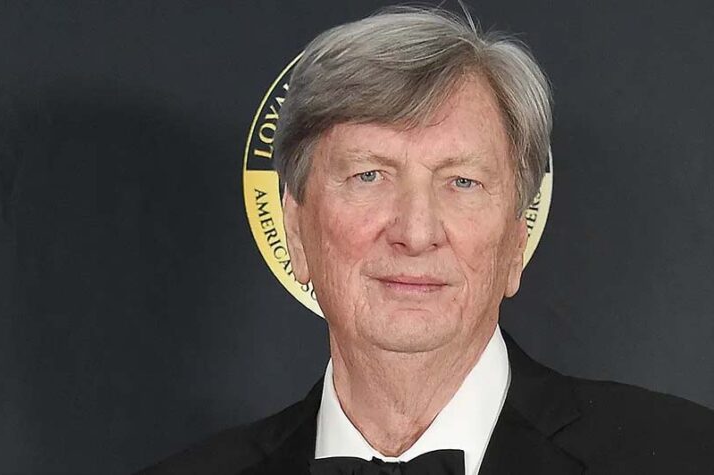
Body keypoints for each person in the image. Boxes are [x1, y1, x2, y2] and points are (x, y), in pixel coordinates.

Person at [136, 6, 714, 475]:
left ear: (516, 239)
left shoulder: (687, 457)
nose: (415, 233)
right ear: (296, 228)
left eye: (461, 182)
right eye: (369, 176)